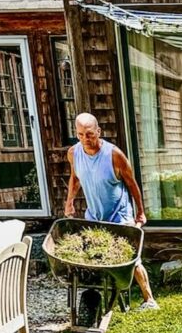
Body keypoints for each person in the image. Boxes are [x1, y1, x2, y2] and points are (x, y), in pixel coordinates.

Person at [64, 113, 158, 310]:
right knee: (94, 256)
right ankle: (103, 294)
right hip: (95, 214)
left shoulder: (114, 155)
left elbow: (132, 185)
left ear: (98, 131)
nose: (85, 139)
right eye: (80, 135)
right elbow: (75, 178)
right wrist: (69, 203)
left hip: (119, 214)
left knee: (132, 257)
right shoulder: (74, 153)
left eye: (89, 134)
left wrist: (140, 212)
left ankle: (149, 299)